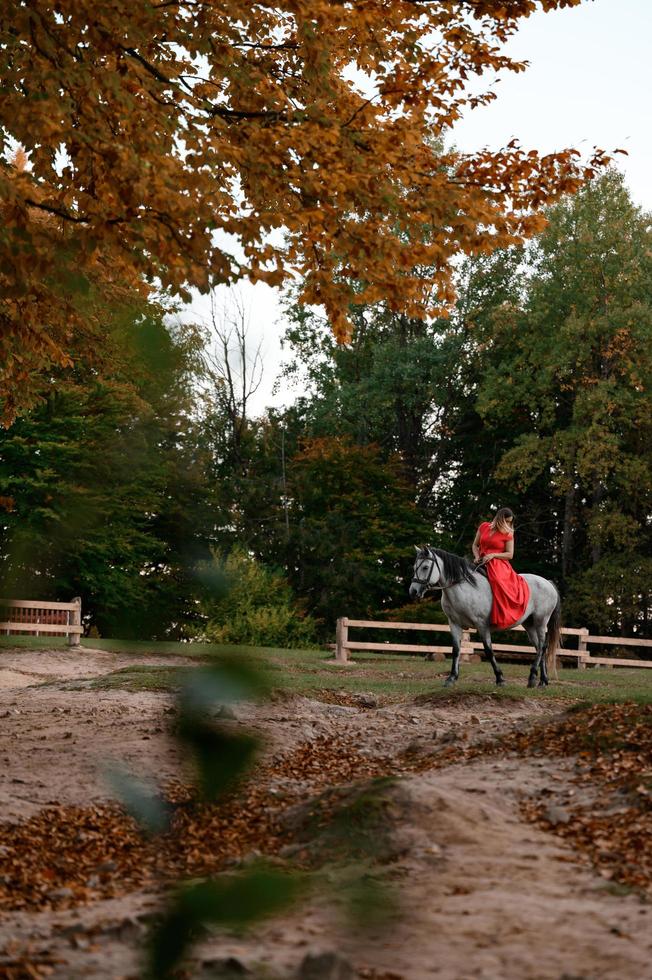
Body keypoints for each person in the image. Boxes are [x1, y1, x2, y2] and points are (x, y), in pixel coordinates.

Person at [472, 507, 530, 630]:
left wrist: (493, 555)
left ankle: (499, 615)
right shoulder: (483, 526)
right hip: (481, 561)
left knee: (497, 582)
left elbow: (510, 554)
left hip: (498, 564)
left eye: (510, 522)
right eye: (507, 521)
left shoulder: (508, 533)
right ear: (500, 519)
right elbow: (475, 545)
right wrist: (477, 556)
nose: (509, 524)